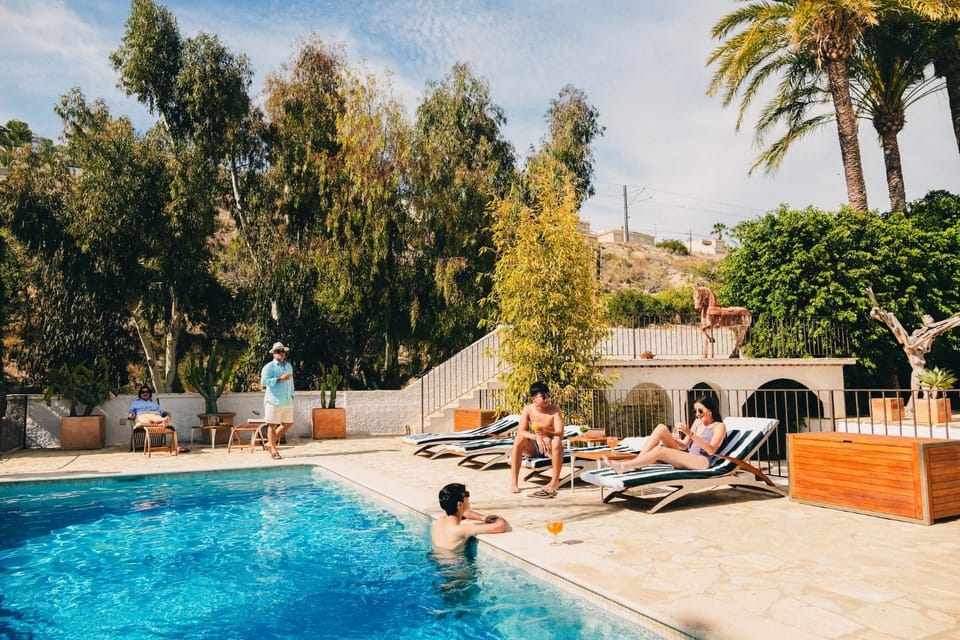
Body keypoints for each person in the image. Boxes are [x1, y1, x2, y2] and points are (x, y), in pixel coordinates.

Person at [603, 395, 727, 473]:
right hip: (688, 458)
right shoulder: (697, 422)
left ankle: (624, 466)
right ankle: (638, 462)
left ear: (710, 411)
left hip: (701, 462)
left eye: (700, 410)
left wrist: (690, 433)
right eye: (695, 411)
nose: (697, 414)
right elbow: (684, 446)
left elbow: (711, 450)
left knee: (659, 450)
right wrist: (677, 440)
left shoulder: (719, 426)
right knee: (661, 428)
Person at [509, 381, 565, 498]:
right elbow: (521, 431)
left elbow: (560, 433)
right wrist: (537, 437)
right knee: (519, 440)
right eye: (544, 396)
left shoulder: (555, 411)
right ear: (534, 398)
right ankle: (514, 482)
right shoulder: (528, 409)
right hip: (534, 447)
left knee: (556, 441)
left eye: (548, 396)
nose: (547, 399)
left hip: (549, 448)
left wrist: (546, 433)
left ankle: (555, 481)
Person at [430, 482, 509, 552]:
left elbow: (465, 513)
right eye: (466, 495)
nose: (468, 498)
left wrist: (483, 518)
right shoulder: (462, 530)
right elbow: (501, 526)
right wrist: (499, 517)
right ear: (459, 505)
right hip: (455, 568)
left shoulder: (439, 521)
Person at [260, 341, 294, 460]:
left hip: (287, 400)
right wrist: (279, 379)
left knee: (288, 423)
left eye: (283, 351)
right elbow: (263, 382)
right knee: (272, 425)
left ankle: (270, 443)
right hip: (274, 400)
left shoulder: (288, 366)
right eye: (278, 351)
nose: (281, 353)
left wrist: (292, 396)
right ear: (274, 354)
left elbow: (291, 383)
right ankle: (274, 451)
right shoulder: (269, 367)